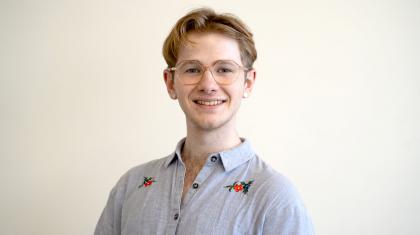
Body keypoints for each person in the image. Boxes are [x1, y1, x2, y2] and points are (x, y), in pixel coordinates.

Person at [95, 7, 314, 235]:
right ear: (170, 83)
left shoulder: (276, 199)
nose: (208, 84)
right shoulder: (131, 185)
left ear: (248, 83)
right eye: (192, 69)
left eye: (224, 69)